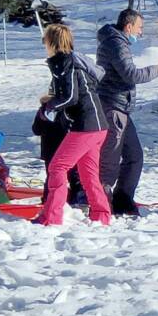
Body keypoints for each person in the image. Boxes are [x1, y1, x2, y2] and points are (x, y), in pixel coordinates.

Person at [96, 9, 158, 217]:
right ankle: (103, 201)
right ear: (128, 27)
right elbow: (130, 74)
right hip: (112, 107)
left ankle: (123, 197)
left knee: (134, 155)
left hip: (122, 107)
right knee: (110, 159)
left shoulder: (119, 42)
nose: (140, 33)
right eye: (139, 28)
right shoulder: (116, 43)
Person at [36, 24, 112, 226]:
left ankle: (51, 216)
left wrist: (48, 107)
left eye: (45, 41)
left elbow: (70, 96)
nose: (44, 45)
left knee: (57, 167)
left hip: (85, 125)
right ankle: (102, 215)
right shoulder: (74, 61)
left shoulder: (65, 62)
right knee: (88, 174)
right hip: (98, 126)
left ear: (51, 42)